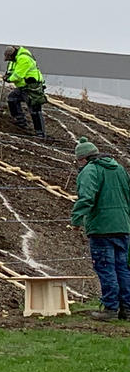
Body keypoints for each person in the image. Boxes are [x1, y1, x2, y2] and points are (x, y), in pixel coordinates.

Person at [69, 136, 130, 320]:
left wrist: (76, 219)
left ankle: (110, 308)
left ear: (83, 159)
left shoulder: (90, 171)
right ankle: (126, 309)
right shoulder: (118, 168)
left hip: (102, 228)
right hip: (123, 226)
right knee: (123, 268)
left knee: (105, 267)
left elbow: (87, 197)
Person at [2, 45, 47, 138]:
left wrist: (9, 79)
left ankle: (40, 134)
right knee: (12, 99)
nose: (9, 60)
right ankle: (20, 121)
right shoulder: (14, 60)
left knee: (35, 110)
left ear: (13, 55)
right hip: (23, 87)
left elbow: (18, 76)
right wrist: (7, 75)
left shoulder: (24, 59)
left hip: (32, 87)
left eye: (9, 58)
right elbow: (11, 71)